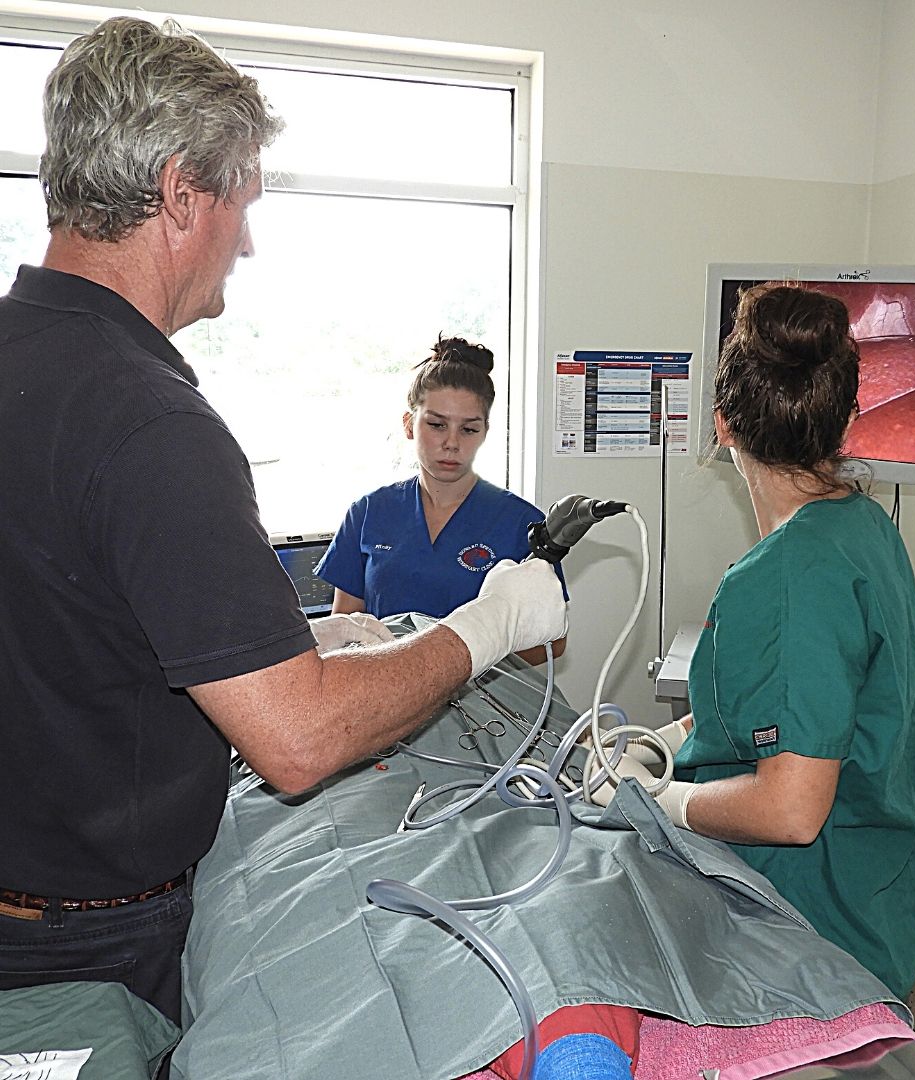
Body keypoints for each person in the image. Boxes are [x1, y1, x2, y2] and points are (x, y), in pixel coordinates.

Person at [0, 16, 565, 1026]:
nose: (247, 240)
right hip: (86, 939)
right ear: (181, 193)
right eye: (242, 202)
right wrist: (485, 627)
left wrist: (292, 638)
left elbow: (66, 626)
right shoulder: (152, 424)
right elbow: (298, 742)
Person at [593, 283, 915, 1001]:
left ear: (721, 425)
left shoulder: (786, 577)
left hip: (808, 935)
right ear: (846, 417)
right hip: (872, 895)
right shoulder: (863, 529)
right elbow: (775, 704)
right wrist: (660, 741)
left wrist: (668, 800)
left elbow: (789, 810)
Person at [316, 334, 567, 661]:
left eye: (468, 429)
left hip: (485, 704)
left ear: (484, 433)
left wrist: (455, 665)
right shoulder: (368, 513)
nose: (451, 443)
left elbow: (552, 643)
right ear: (409, 425)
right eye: (436, 425)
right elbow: (344, 628)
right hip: (386, 695)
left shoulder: (523, 525)